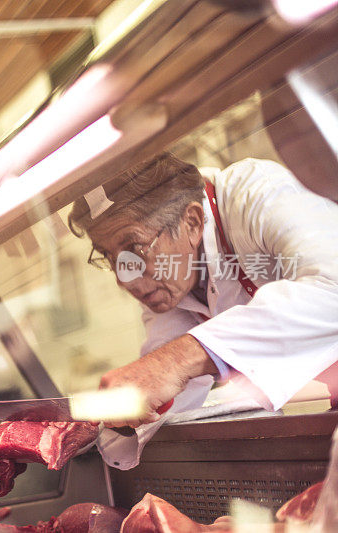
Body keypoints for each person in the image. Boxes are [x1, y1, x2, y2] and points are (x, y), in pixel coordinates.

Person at [68, 152, 338, 468]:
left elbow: (332, 287)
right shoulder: (170, 287)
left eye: (135, 250)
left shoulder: (256, 194)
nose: (124, 280)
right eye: (111, 258)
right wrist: (91, 430)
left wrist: (179, 360)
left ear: (192, 222)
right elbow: (164, 392)